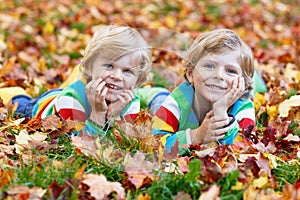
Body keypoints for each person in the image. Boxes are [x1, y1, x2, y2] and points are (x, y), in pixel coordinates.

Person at [12, 25, 152, 135]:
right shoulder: (71, 101)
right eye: (109, 66)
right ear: (91, 66)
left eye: (127, 71)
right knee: (20, 105)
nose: (117, 76)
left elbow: (118, 142)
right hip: (47, 105)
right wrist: (98, 113)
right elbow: (81, 146)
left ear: (137, 79)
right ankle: (14, 94)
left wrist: (112, 116)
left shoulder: (130, 101)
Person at [152, 29, 256, 155]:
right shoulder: (178, 100)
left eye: (231, 71)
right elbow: (155, 143)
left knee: (255, 80)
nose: (219, 76)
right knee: (158, 101)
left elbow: (244, 148)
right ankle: (155, 94)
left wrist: (220, 110)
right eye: (209, 66)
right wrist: (197, 135)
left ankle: (257, 77)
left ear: (242, 83)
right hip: (165, 100)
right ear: (190, 74)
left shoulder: (243, 107)